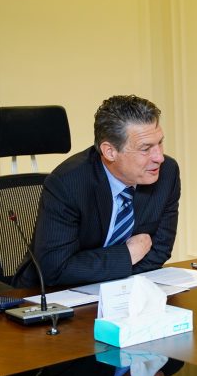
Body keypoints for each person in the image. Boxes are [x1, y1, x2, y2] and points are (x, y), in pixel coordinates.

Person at [13, 95, 180, 287]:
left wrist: (111, 281)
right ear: (110, 151)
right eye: (145, 148)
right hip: (49, 295)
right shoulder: (68, 183)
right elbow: (56, 268)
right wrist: (127, 255)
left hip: (125, 290)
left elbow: (159, 250)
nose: (159, 157)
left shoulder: (167, 173)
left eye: (160, 143)